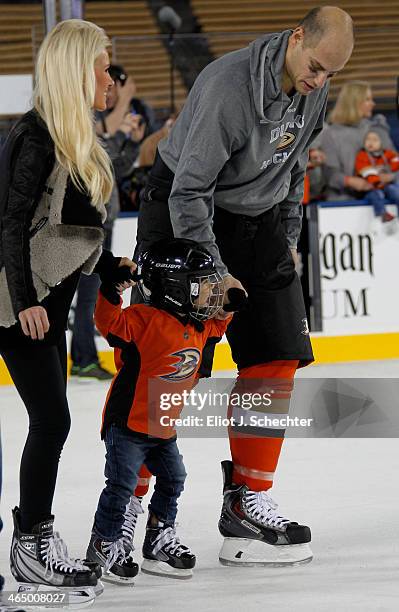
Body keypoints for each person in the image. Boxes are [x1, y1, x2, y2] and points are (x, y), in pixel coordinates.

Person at [131, 6, 354, 566]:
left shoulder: (312, 87)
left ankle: (247, 501)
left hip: (259, 219)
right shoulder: (230, 85)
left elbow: (293, 165)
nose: (319, 81)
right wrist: (210, 269)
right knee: (170, 366)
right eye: (316, 66)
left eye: (331, 74)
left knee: (277, 355)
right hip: (186, 209)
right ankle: (128, 508)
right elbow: (189, 190)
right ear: (296, 37)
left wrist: (287, 241)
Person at [0, 19, 135, 604]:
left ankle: (34, 537)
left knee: (52, 422)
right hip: (19, 305)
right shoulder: (35, 136)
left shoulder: (75, 136)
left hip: (48, 305)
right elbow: (10, 224)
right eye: (103, 66)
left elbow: (72, 230)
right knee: (52, 420)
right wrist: (25, 300)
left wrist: (110, 269)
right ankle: (31, 544)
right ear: (77, 69)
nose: (111, 78)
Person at [86, 238, 236, 581]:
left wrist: (227, 306)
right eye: (202, 285)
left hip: (162, 429)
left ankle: (157, 537)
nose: (209, 292)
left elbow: (217, 326)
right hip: (127, 425)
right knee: (121, 484)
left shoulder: (198, 325)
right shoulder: (143, 318)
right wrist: (110, 289)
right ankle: (103, 543)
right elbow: (108, 323)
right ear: (174, 288)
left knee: (173, 478)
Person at [70, 113, 144, 382]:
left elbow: (119, 166)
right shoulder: (83, 140)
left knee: (88, 296)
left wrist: (133, 142)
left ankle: (83, 358)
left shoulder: (94, 140)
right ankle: (84, 359)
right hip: (92, 227)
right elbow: (106, 155)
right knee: (88, 297)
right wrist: (122, 132)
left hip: (103, 225)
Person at [319, 80, 395, 200]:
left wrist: (389, 177)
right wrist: (349, 181)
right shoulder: (330, 134)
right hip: (343, 199)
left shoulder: (376, 130)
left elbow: (394, 164)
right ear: (354, 102)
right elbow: (330, 175)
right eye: (368, 99)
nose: (373, 103)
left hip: (379, 193)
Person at [355, 130, 399, 223]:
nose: (371, 142)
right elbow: (365, 171)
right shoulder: (362, 156)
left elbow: (396, 162)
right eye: (368, 139)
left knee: (395, 190)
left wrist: (390, 174)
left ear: (382, 143)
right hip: (370, 187)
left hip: (386, 185)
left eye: (375, 140)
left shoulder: (388, 154)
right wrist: (378, 180)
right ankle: (382, 213)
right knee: (376, 195)